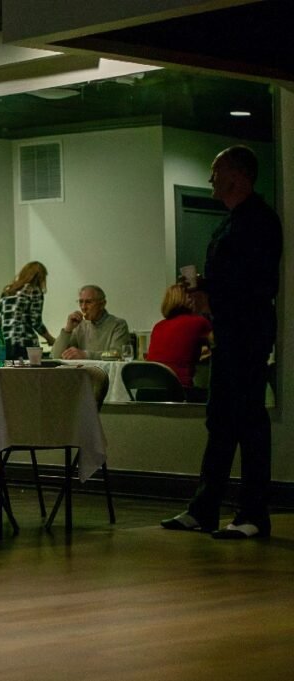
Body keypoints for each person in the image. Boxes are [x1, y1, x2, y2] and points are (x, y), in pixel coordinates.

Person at [162, 145, 282, 540]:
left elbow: (260, 284)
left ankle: (251, 512)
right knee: (221, 420)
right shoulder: (232, 222)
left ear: (237, 175)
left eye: (216, 171)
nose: (211, 178)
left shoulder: (259, 223)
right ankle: (206, 508)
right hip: (232, 331)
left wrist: (214, 296)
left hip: (247, 330)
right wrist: (204, 291)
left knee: (247, 420)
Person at [145, 283, 212, 388]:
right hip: (179, 389)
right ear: (185, 300)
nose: (193, 300)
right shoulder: (198, 322)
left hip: (149, 388)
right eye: (190, 297)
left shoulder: (158, 326)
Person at [0, 262, 56, 360]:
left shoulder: (7, 290)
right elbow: (36, 322)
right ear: (40, 277)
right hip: (24, 344)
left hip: (4, 344)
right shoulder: (34, 290)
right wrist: (51, 339)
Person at [51, 285, 130, 360]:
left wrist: (86, 355)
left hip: (106, 373)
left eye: (88, 302)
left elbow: (117, 354)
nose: (83, 307)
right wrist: (68, 329)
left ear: (102, 304)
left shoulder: (118, 324)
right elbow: (55, 355)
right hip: (82, 373)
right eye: (81, 302)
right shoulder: (80, 325)